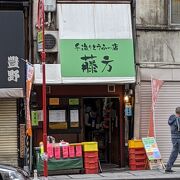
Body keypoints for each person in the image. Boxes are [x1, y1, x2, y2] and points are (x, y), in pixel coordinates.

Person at [165, 107, 180, 173]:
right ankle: (168, 168)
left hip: (174, 138)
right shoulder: (178, 119)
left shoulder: (172, 118)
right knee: (174, 153)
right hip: (178, 138)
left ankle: (168, 168)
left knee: (174, 153)